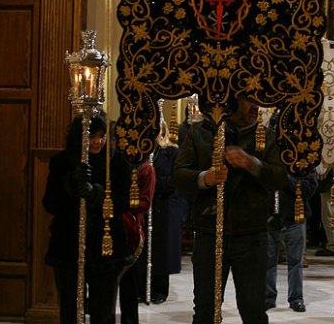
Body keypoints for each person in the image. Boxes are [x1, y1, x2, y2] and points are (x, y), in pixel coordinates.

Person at [173, 97, 287, 324]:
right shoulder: (200, 132)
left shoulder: (267, 135)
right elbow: (179, 174)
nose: (256, 106)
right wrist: (205, 178)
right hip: (209, 233)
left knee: (253, 310)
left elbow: (280, 178)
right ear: (232, 100)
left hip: (251, 234)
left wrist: (251, 163)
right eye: (248, 100)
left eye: (258, 100)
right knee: (205, 310)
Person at [43, 111, 133, 324]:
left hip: (106, 245)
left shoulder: (117, 161)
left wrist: (97, 194)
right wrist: (69, 183)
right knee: (70, 309)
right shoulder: (61, 162)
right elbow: (50, 203)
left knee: (104, 311)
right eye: (92, 136)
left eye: (102, 136)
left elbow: (123, 203)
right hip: (68, 244)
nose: (98, 141)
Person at [266, 172, 318, 313]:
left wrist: (286, 179)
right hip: (271, 216)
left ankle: (296, 298)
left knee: (296, 262)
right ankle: (267, 298)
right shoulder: (271, 158)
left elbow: (309, 188)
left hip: (295, 218)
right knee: (268, 261)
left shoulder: (303, 161)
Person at [149, 121, 183, 304]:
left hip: (164, 205)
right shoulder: (143, 152)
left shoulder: (172, 152)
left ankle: (159, 290)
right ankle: (142, 287)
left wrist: (153, 183)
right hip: (147, 205)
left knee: (161, 250)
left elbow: (175, 179)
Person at [119, 158, 155, 324]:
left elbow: (144, 203)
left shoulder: (145, 168)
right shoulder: (113, 161)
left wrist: (117, 202)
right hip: (106, 225)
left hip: (130, 230)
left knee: (129, 286)